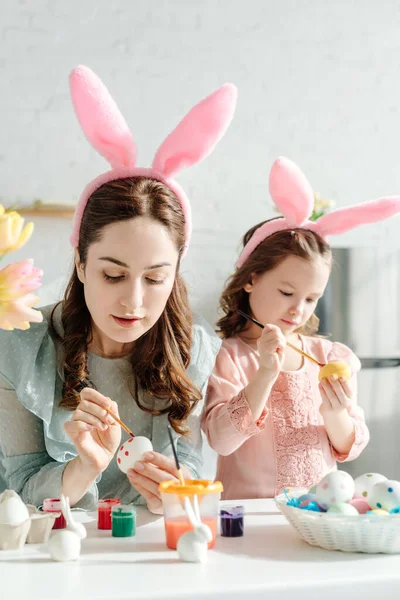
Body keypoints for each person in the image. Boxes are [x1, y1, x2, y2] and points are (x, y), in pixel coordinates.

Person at [0, 65, 237, 513]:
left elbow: (188, 462)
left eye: (154, 278)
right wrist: (85, 467)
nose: (134, 301)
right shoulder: (21, 348)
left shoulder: (193, 348)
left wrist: (174, 487)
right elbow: (21, 487)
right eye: (113, 275)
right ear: (81, 263)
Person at [202, 156, 400, 500]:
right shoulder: (229, 356)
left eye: (311, 298)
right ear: (251, 279)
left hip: (319, 517)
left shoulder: (329, 356)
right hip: (253, 522)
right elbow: (221, 439)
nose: (299, 309)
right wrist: (264, 373)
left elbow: (349, 447)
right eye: (287, 292)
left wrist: (335, 412)